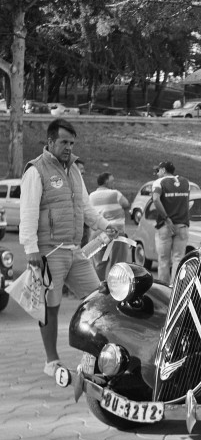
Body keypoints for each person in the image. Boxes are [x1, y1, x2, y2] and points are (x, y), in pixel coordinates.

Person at [19, 118, 120, 376]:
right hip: (48, 251)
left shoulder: (74, 169)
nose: (68, 147)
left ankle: (99, 354)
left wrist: (104, 225)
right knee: (49, 306)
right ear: (50, 141)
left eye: (72, 142)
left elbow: (85, 208)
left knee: (100, 298)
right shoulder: (36, 170)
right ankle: (51, 362)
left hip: (75, 251)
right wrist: (31, 249)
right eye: (64, 141)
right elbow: (28, 212)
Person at [152, 161, 190, 284]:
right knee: (178, 259)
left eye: (158, 171)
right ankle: (175, 290)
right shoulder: (185, 182)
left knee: (163, 260)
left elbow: (156, 199)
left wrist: (167, 218)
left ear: (163, 170)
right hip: (182, 225)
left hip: (165, 225)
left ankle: (164, 291)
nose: (157, 173)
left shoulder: (159, 182)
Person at [89, 172, 131, 281]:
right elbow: (126, 204)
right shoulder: (115, 193)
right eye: (112, 181)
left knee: (100, 263)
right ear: (106, 181)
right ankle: (116, 288)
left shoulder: (91, 196)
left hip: (98, 233)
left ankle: (99, 288)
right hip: (116, 232)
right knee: (118, 262)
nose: (114, 183)